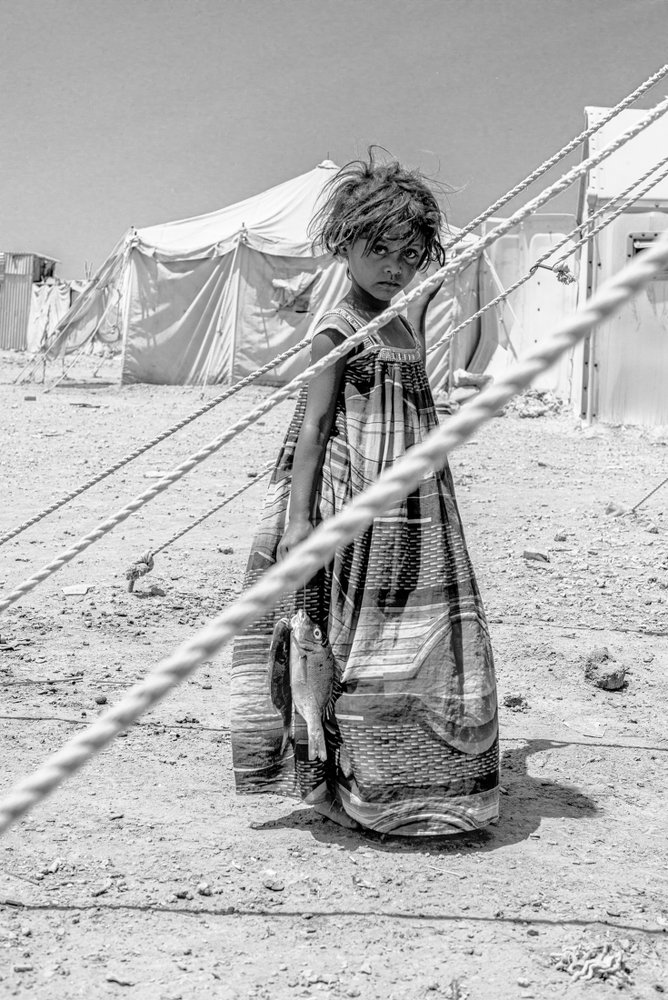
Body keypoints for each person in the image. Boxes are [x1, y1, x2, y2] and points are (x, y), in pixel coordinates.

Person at [231, 151, 499, 836]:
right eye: (377, 249)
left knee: (418, 634)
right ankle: (355, 782)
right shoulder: (338, 328)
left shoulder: (406, 321)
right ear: (343, 244)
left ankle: (418, 779)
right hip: (355, 512)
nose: (393, 266)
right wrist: (298, 524)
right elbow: (314, 428)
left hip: (415, 512)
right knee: (351, 641)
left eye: (409, 253)